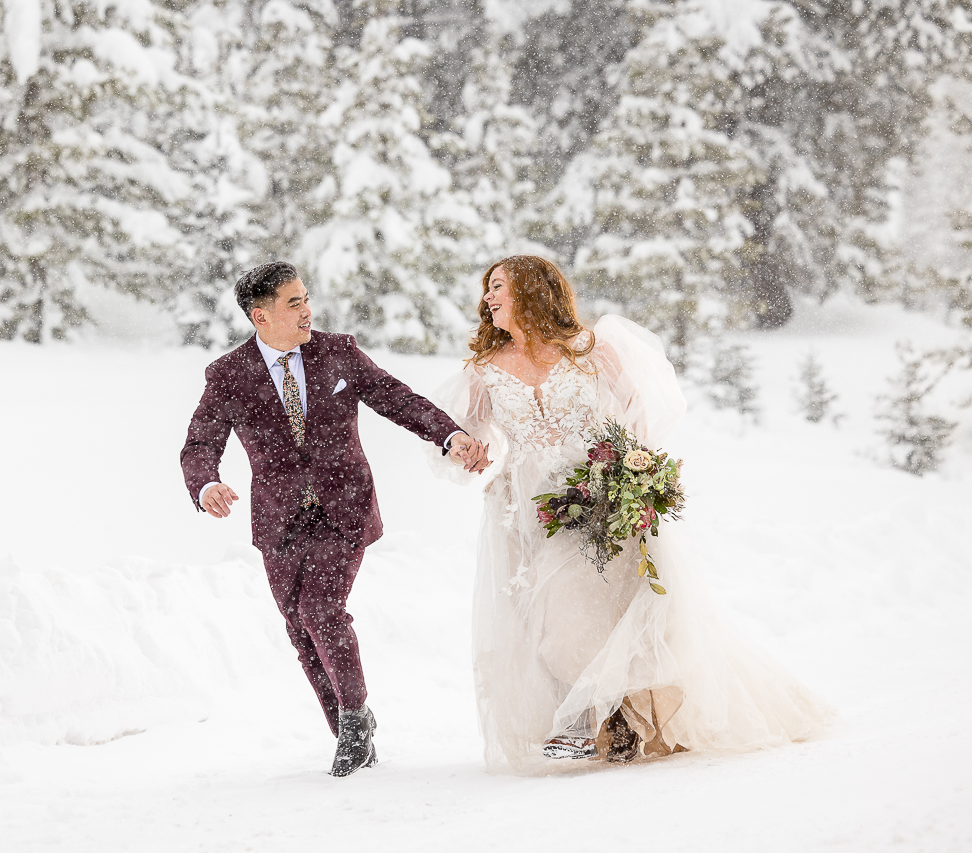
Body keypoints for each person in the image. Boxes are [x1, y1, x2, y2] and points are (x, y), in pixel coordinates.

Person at [432, 255, 836, 773]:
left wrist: (627, 472)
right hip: (529, 506)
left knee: (594, 611)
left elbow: (642, 415)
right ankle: (608, 721)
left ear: (533, 293)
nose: (489, 298)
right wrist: (468, 449)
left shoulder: (592, 352)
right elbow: (459, 435)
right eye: (488, 289)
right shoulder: (484, 371)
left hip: (599, 496)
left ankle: (585, 723)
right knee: (547, 617)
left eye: (500, 288)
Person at [180, 261, 490, 777]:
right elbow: (200, 442)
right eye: (293, 303)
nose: (307, 312)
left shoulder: (337, 352)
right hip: (278, 520)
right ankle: (353, 729)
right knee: (299, 629)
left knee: (321, 608)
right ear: (260, 316)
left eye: (306, 299)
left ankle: (351, 724)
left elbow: (396, 398)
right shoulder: (229, 374)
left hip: (344, 508)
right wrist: (207, 483)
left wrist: (448, 435)